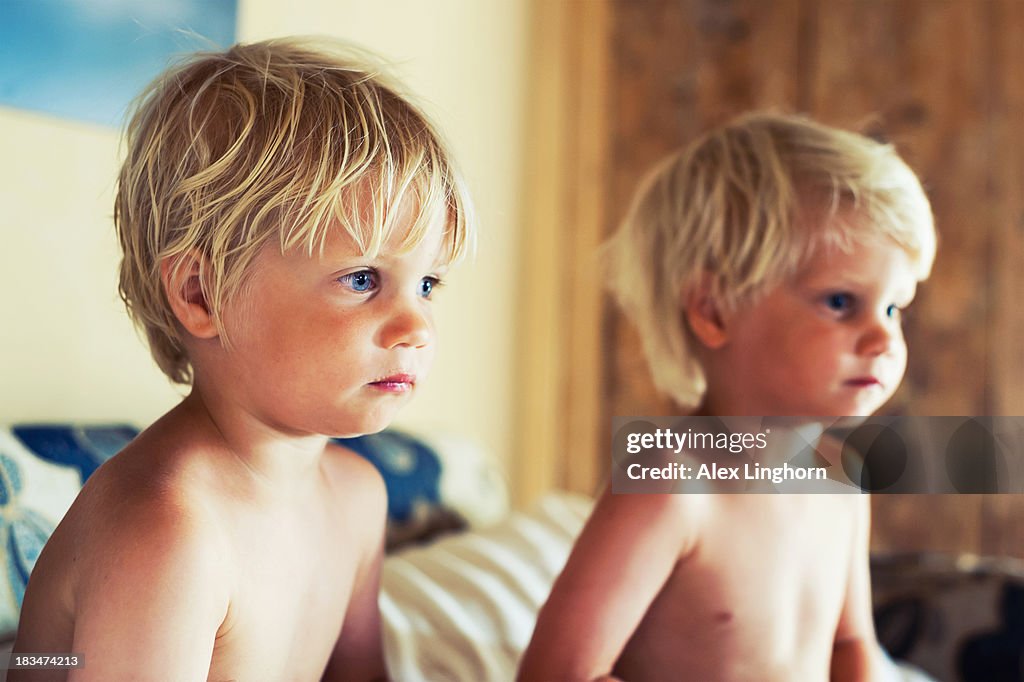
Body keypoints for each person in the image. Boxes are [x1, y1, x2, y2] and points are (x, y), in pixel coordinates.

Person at [12, 37, 473, 681]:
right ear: (204, 295)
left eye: (427, 284)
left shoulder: (358, 498)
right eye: (363, 279)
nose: (416, 327)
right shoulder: (170, 533)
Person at [518, 112, 935, 681]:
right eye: (841, 302)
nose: (884, 337)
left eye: (894, 307)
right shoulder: (668, 485)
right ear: (714, 309)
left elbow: (850, 645)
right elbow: (558, 674)